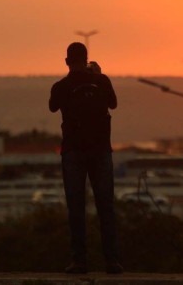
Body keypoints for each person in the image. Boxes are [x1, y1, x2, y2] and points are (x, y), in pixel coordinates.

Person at [48, 42, 123, 274]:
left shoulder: (61, 86)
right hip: (101, 150)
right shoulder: (101, 81)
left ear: (67, 61)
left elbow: (52, 107)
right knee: (105, 207)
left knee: (76, 208)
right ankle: (111, 261)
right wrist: (98, 75)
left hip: (73, 151)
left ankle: (79, 260)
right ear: (87, 58)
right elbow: (113, 103)